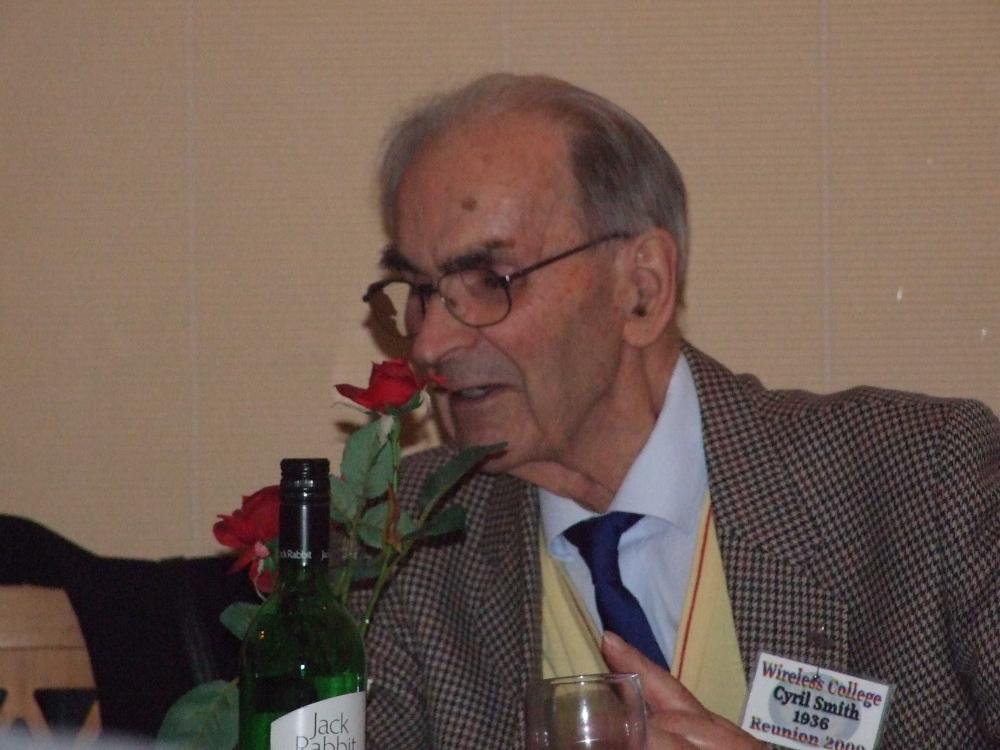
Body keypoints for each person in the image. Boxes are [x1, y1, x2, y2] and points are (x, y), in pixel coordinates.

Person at [357, 73, 999, 748]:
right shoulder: (398, 551)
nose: (429, 343)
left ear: (642, 288)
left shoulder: (927, 482)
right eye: (421, 290)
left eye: (491, 281)